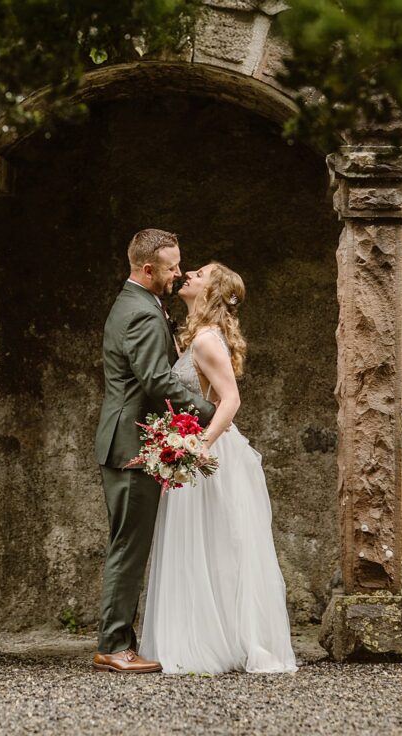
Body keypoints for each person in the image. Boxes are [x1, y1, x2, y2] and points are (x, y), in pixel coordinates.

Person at [139, 261, 297, 674]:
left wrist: (199, 447)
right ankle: (206, 637)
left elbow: (231, 400)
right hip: (196, 447)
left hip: (209, 454)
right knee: (203, 548)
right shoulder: (196, 337)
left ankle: (215, 641)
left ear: (212, 291)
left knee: (213, 548)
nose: (189, 273)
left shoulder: (208, 340)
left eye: (201, 273)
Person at [92, 229, 217, 673]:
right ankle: (114, 646)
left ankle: (118, 640)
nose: (179, 272)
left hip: (127, 439)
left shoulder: (137, 304)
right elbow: (156, 380)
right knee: (128, 547)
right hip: (130, 444)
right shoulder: (142, 313)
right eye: (171, 266)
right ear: (148, 269)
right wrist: (205, 411)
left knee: (128, 544)